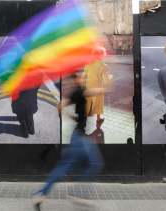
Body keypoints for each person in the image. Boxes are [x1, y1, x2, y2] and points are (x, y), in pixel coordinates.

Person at [32, 73, 105, 211]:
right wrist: (106, 86)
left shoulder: (77, 93)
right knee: (94, 163)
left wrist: (71, 117)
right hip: (80, 139)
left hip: (79, 136)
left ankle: (40, 195)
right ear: (77, 80)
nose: (84, 79)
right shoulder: (79, 91)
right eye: (82, 77)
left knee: (65, 167)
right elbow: (61, 105)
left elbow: (60, 106)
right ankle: (77, 194)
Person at [83, 48, 112, 126]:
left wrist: (83, 85)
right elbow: (106, 79)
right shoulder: (103, 65)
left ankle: (83, 119)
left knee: (88, 102)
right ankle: (98, 119)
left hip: (88, 86)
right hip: (98, 87)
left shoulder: (88, 63)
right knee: (99, 102)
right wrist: (109, 81)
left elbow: (84, 76)